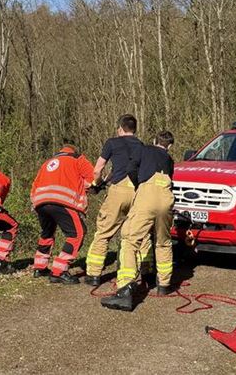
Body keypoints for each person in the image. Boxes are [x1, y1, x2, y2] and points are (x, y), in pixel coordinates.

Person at [102, 130, 176, 311]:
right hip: (166, 196)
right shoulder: (169, 160)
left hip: (147, 193)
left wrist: (139, 185)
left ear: (153, 140)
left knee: (129, 239)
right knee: (163, 241)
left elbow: (130, 169)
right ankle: (164, 285)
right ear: (170, 146)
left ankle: (125, 288)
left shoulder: (143, 150)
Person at [83, 114, 148, 287]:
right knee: (133, 235)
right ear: (134, 129)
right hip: (136, 191)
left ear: (120, 128)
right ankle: (140, 271)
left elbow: (98, 169)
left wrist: (97, 183)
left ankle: (94, 274)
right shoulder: (141, 146)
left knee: (104, 232)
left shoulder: (112, 143)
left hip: (118, 190)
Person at [30, 143, 95, 284]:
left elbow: (34, 185)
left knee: (47, 233)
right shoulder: (77, 158)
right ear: (73, 150)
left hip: (40, 202)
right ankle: (59, 271)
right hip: (62, 201)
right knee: (77, 234)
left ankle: (39, 267)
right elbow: (93, 178)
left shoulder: (46, 163)